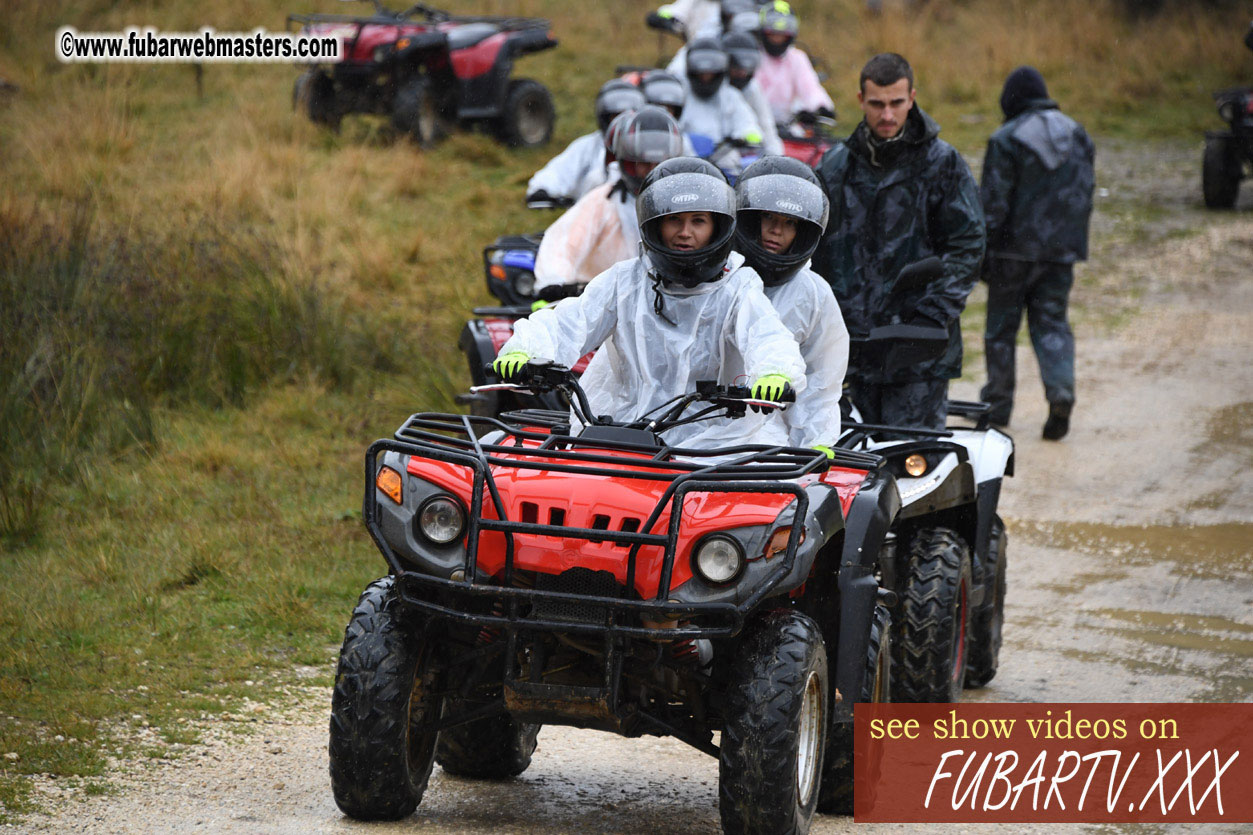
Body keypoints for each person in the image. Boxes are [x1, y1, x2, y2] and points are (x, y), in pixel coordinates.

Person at [494, 159, 806, 451]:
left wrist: (774, 373)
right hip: (621, 433)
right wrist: (528, 351)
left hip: (712, 447)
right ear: (655, 224)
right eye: (674, 220)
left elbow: (766, 335)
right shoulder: (625, 280)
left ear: (719, 226)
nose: (685, 233)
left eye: (698, 221)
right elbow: (571, 322)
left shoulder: (739, 286)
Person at [811, 52, 985, 430]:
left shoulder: (943, 164)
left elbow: (969, 245)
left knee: (916, 467)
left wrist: (931, 313)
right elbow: (812, 249)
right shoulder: (835, 167)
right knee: (851, 472)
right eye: (876, 104)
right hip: (850, 349)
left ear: (912, 98)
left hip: (918, 349)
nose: (887, 115)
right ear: (860, 101)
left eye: (896, 103)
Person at [979, 66, 1095, 440]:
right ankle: (1060, 393)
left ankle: (998, 406)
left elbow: (993, 206)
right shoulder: (1078, 134)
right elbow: (1085, 195)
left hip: (1012, 255)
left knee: (1001, 330)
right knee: (1053, 325)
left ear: (1011, 101)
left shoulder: (1006, 139)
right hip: (1062, 252)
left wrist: (982, 252)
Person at [733, 156, 849, 451]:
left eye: (790, 223)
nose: (776, 230)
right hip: (694, 430)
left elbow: (821, 382)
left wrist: (817, 442)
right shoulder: (719, 277)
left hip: (768, 440)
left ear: (803, 231)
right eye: (769, 218)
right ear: (750, 217)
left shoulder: (813, 293)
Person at [532, 107, 683, 297]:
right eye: (643, 164)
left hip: (667, 303)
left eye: (660, 164)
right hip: (603, 306)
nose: (651, 172)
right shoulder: (603, 202)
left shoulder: (685, 205)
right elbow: (563, 245)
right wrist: (555, 283)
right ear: (627, 163)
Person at [526, 79, 647, 206]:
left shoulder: (650, 147)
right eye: (616, 116)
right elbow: (558, 173)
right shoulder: (588, 146)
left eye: (627, 117)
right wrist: (543, 189)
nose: (621, 123)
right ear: (605, 118)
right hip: (593, 215)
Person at [752, 1, 835, 126]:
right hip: (754, 125)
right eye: (772, 33)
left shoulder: (797, 58)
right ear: (763, 31)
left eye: (781, 35)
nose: (776, 39)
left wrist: (820, 107)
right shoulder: (753, 56)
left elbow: (810, 89)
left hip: (789, 127)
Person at [678, 38, 764, 152]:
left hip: (721, 158)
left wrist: (746, 136)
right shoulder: (680, 94)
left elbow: (748, 124)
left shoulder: (731, 96)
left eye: (710, 73)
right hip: (683, 158)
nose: (706, 76)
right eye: (702, 73)